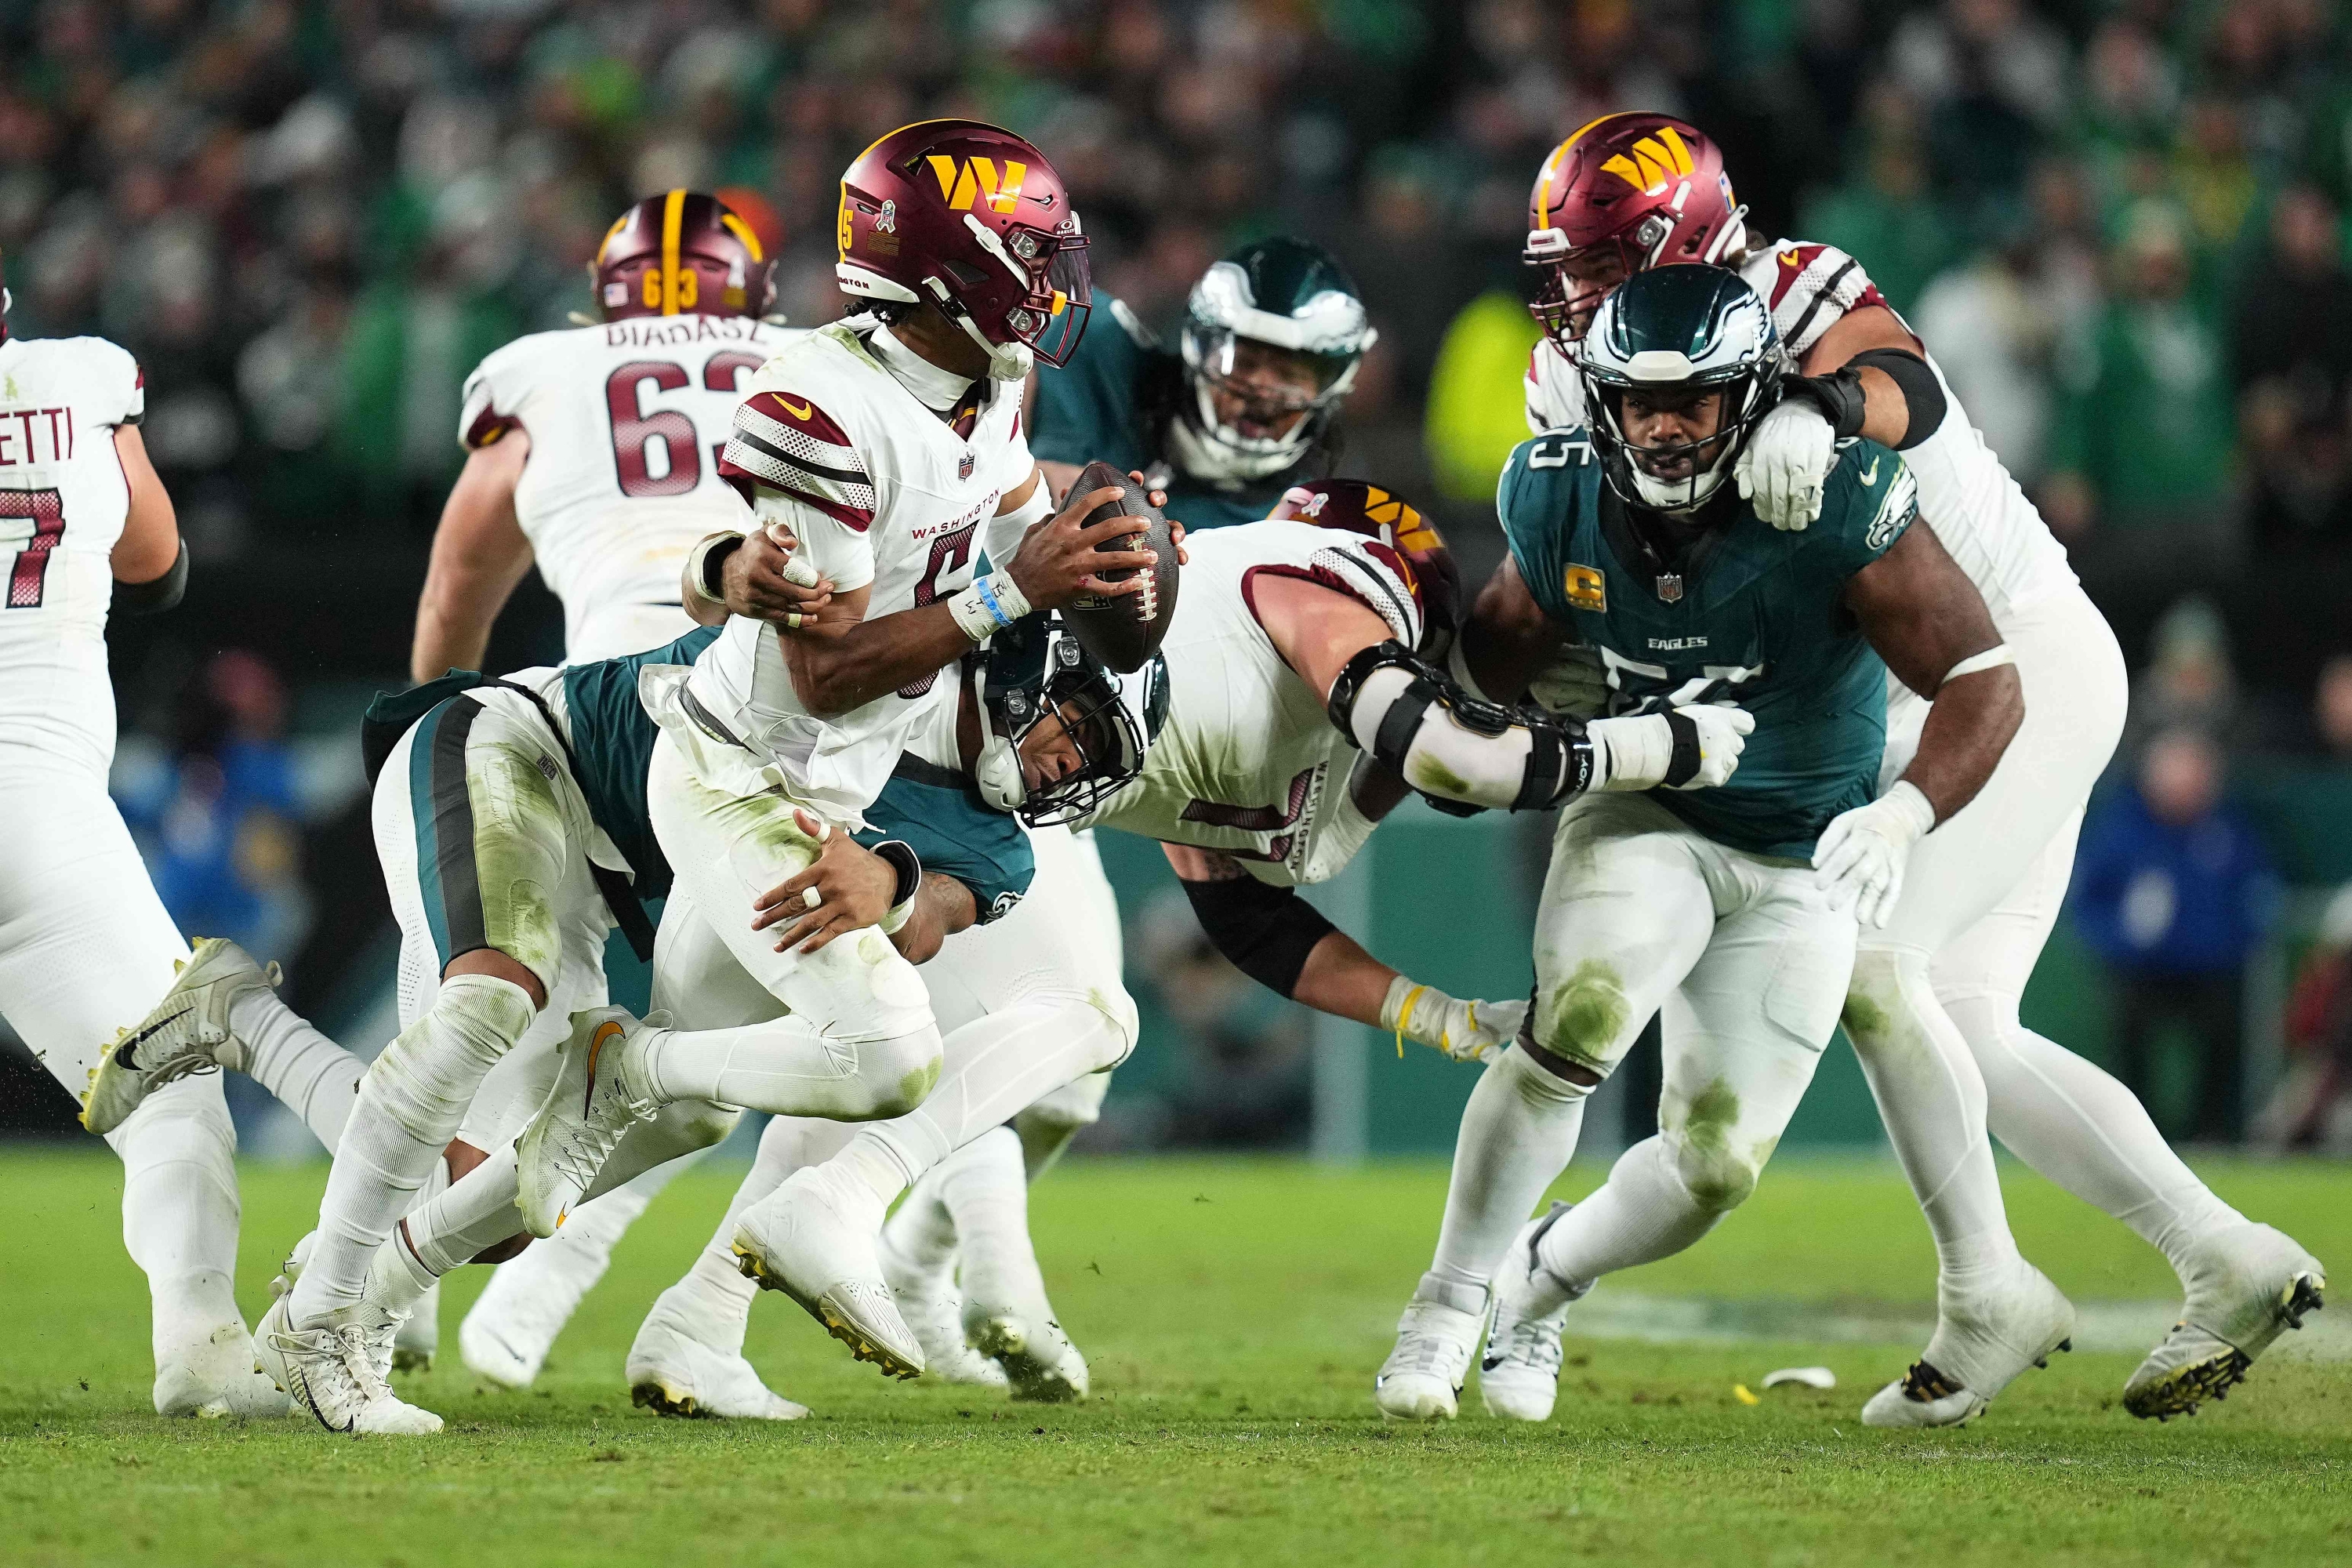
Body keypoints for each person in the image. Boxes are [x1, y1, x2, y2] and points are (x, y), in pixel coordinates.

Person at [1507, 111, 2321, 1425]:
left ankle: (1987, 1293)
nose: (1576, 295)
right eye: (1570, 268)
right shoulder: (1583, 376)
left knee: (1875, 962)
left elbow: (1906, 382)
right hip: (1885, 714)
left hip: (2010, 668)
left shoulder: (1797, 287)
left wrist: (1821, 408)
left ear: (1691, 238)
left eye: (1603, 262)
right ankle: (2224, 1257)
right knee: (1964, 1020)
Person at [704, 475, 1751, 1392]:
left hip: (966, 782)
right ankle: (809, 1209)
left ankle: (730, 1293)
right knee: (1001, 1030)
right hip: (908, 733)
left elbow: (1249, 918)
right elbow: (1456, 761)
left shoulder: (1249, 728)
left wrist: (1445, 1019)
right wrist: (1644, 745)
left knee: (966, 1034)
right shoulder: (1309, 597)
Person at [1379, 263, 2023, 1425]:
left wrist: (1905, 809)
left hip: (1802, 856)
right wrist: (1435, 722)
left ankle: (1539, 1277)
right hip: (1649, 812)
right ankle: (1444, 1302)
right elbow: (1497, 656)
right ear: (1603, 403)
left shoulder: (1837, 496)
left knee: (1715, 1166)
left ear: (1751, 398)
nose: (1666, 429)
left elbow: (1983, 679)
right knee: (1574, 1025)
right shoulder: (1554, 491)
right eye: (1640, 403)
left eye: (1696, 403)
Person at [408, 188, 797, 1394]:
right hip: (762, 710)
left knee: (499, 1036)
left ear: (600, 298)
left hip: (583, 722)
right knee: (777, 1049)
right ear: (759, 299)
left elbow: (467, 562)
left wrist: (434, 719)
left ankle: (390, 1280)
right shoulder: (814, 361)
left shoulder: (547, 368)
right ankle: (488, 1283)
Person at [0, 257, 363, 1419]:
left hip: (51, 806)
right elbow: (154, 563)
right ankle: (201, 1344)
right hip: (41, 813)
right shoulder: (83, 376)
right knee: (172, 1093)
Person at [1029, 236, 1377, 528]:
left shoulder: (1295, 527)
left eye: (1290, 375)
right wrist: (1022, 480)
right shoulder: (1092, 347)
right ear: (1198, 345)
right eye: (1244, 362)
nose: (1262, 394)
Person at [2071, 729, 2276, 1145]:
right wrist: (2120, 940)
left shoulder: (2230, 830)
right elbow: (2088, 900)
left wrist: (2233, 943)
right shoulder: (2120, 829)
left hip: (2212, 972)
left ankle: (2213, 1136)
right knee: (2129, 1044)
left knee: (2223, 1039)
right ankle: (2135, 1138)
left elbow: (2256, 894)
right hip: (2138, 972)